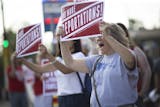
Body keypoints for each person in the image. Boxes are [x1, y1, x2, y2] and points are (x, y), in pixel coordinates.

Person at [57, 21, 139, 107]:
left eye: (102, 35)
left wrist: (107, 36)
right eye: (98, 35)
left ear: (114, 38)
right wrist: (63, 42)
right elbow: (70, 63)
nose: (98, 38)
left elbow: (130, 60)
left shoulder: (123, 57)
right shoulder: (96, 60)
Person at [20, 40, 90, 107]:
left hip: (76, 97)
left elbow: (65, 70)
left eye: (66, 39)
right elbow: (40, 69)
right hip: (62, 98)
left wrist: (48, 55)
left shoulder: (79, 56)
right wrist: (23, 61)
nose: (62, 41)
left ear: (74, 41)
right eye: (61, 39)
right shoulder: (59, 60)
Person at [117, 23, 152, 102]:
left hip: (135, 97)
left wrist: (141, 93)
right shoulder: (112, 53)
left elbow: (147, 72)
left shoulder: (135, 50)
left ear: (125, 34)